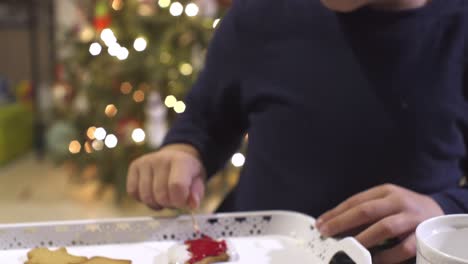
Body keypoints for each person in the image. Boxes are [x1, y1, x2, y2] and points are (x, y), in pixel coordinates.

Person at [127, 0, 468, 262]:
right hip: (252, 250)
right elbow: (207, 119)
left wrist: (443, 209)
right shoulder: (262, 13)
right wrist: (185, 151)